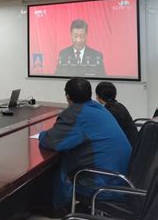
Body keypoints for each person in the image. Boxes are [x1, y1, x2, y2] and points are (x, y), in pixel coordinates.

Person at [39, 77, 131, 209]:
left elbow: (52, 142)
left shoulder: (75, 114)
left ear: (68, 97)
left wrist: (42, 134)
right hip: (123, 179)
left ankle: (58, 207)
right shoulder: (99, 108)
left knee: (63, 161)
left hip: (104, 184)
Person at [96, 81, 138, 147]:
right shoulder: (119, 106)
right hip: (134, 146)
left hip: (126, 148)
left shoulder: (108, 111)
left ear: (98, 97)